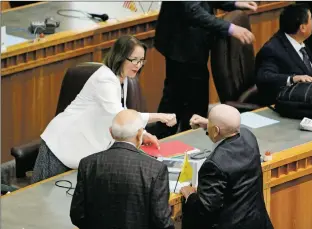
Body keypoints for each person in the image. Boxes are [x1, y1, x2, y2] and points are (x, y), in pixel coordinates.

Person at [31, 35, 177, 183]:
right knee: (39, 197)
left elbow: (122, 111)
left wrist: (143, 134)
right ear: (120, 57)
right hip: (60, 143)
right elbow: (120, 115)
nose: (138, 65)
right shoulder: (104, 79)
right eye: (133, 60)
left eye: (141, 60)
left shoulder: (122, 79)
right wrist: (159, 116)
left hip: (81, 146)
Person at [153, 1, 258, 139]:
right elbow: (192, 10)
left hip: (191, 45)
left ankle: (177, 142)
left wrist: (233, 3)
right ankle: (172, 144)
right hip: (182, 47)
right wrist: (230, 28)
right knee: (182, 100)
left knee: (182, 99)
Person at [70, 109, 174, 229]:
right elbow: (162, 222)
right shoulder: (156, 169)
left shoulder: (87, 164)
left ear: (111, 132)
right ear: (140, 134)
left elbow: (77, 215)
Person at [180, 104, 273, 229]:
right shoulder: (249, 137)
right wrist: (208, 124)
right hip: (258, 222)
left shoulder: (213, 165)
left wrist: (190, 196)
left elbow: (205, 210)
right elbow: (233, 127)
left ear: (216, 130)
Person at [255, 3, 312, 105]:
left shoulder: (300, 42)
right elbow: (264, 78)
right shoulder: (272, 50)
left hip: (309, 100)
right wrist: (293, 79)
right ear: (302, 28)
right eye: (311, 19)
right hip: (286, 107)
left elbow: (308, 72)